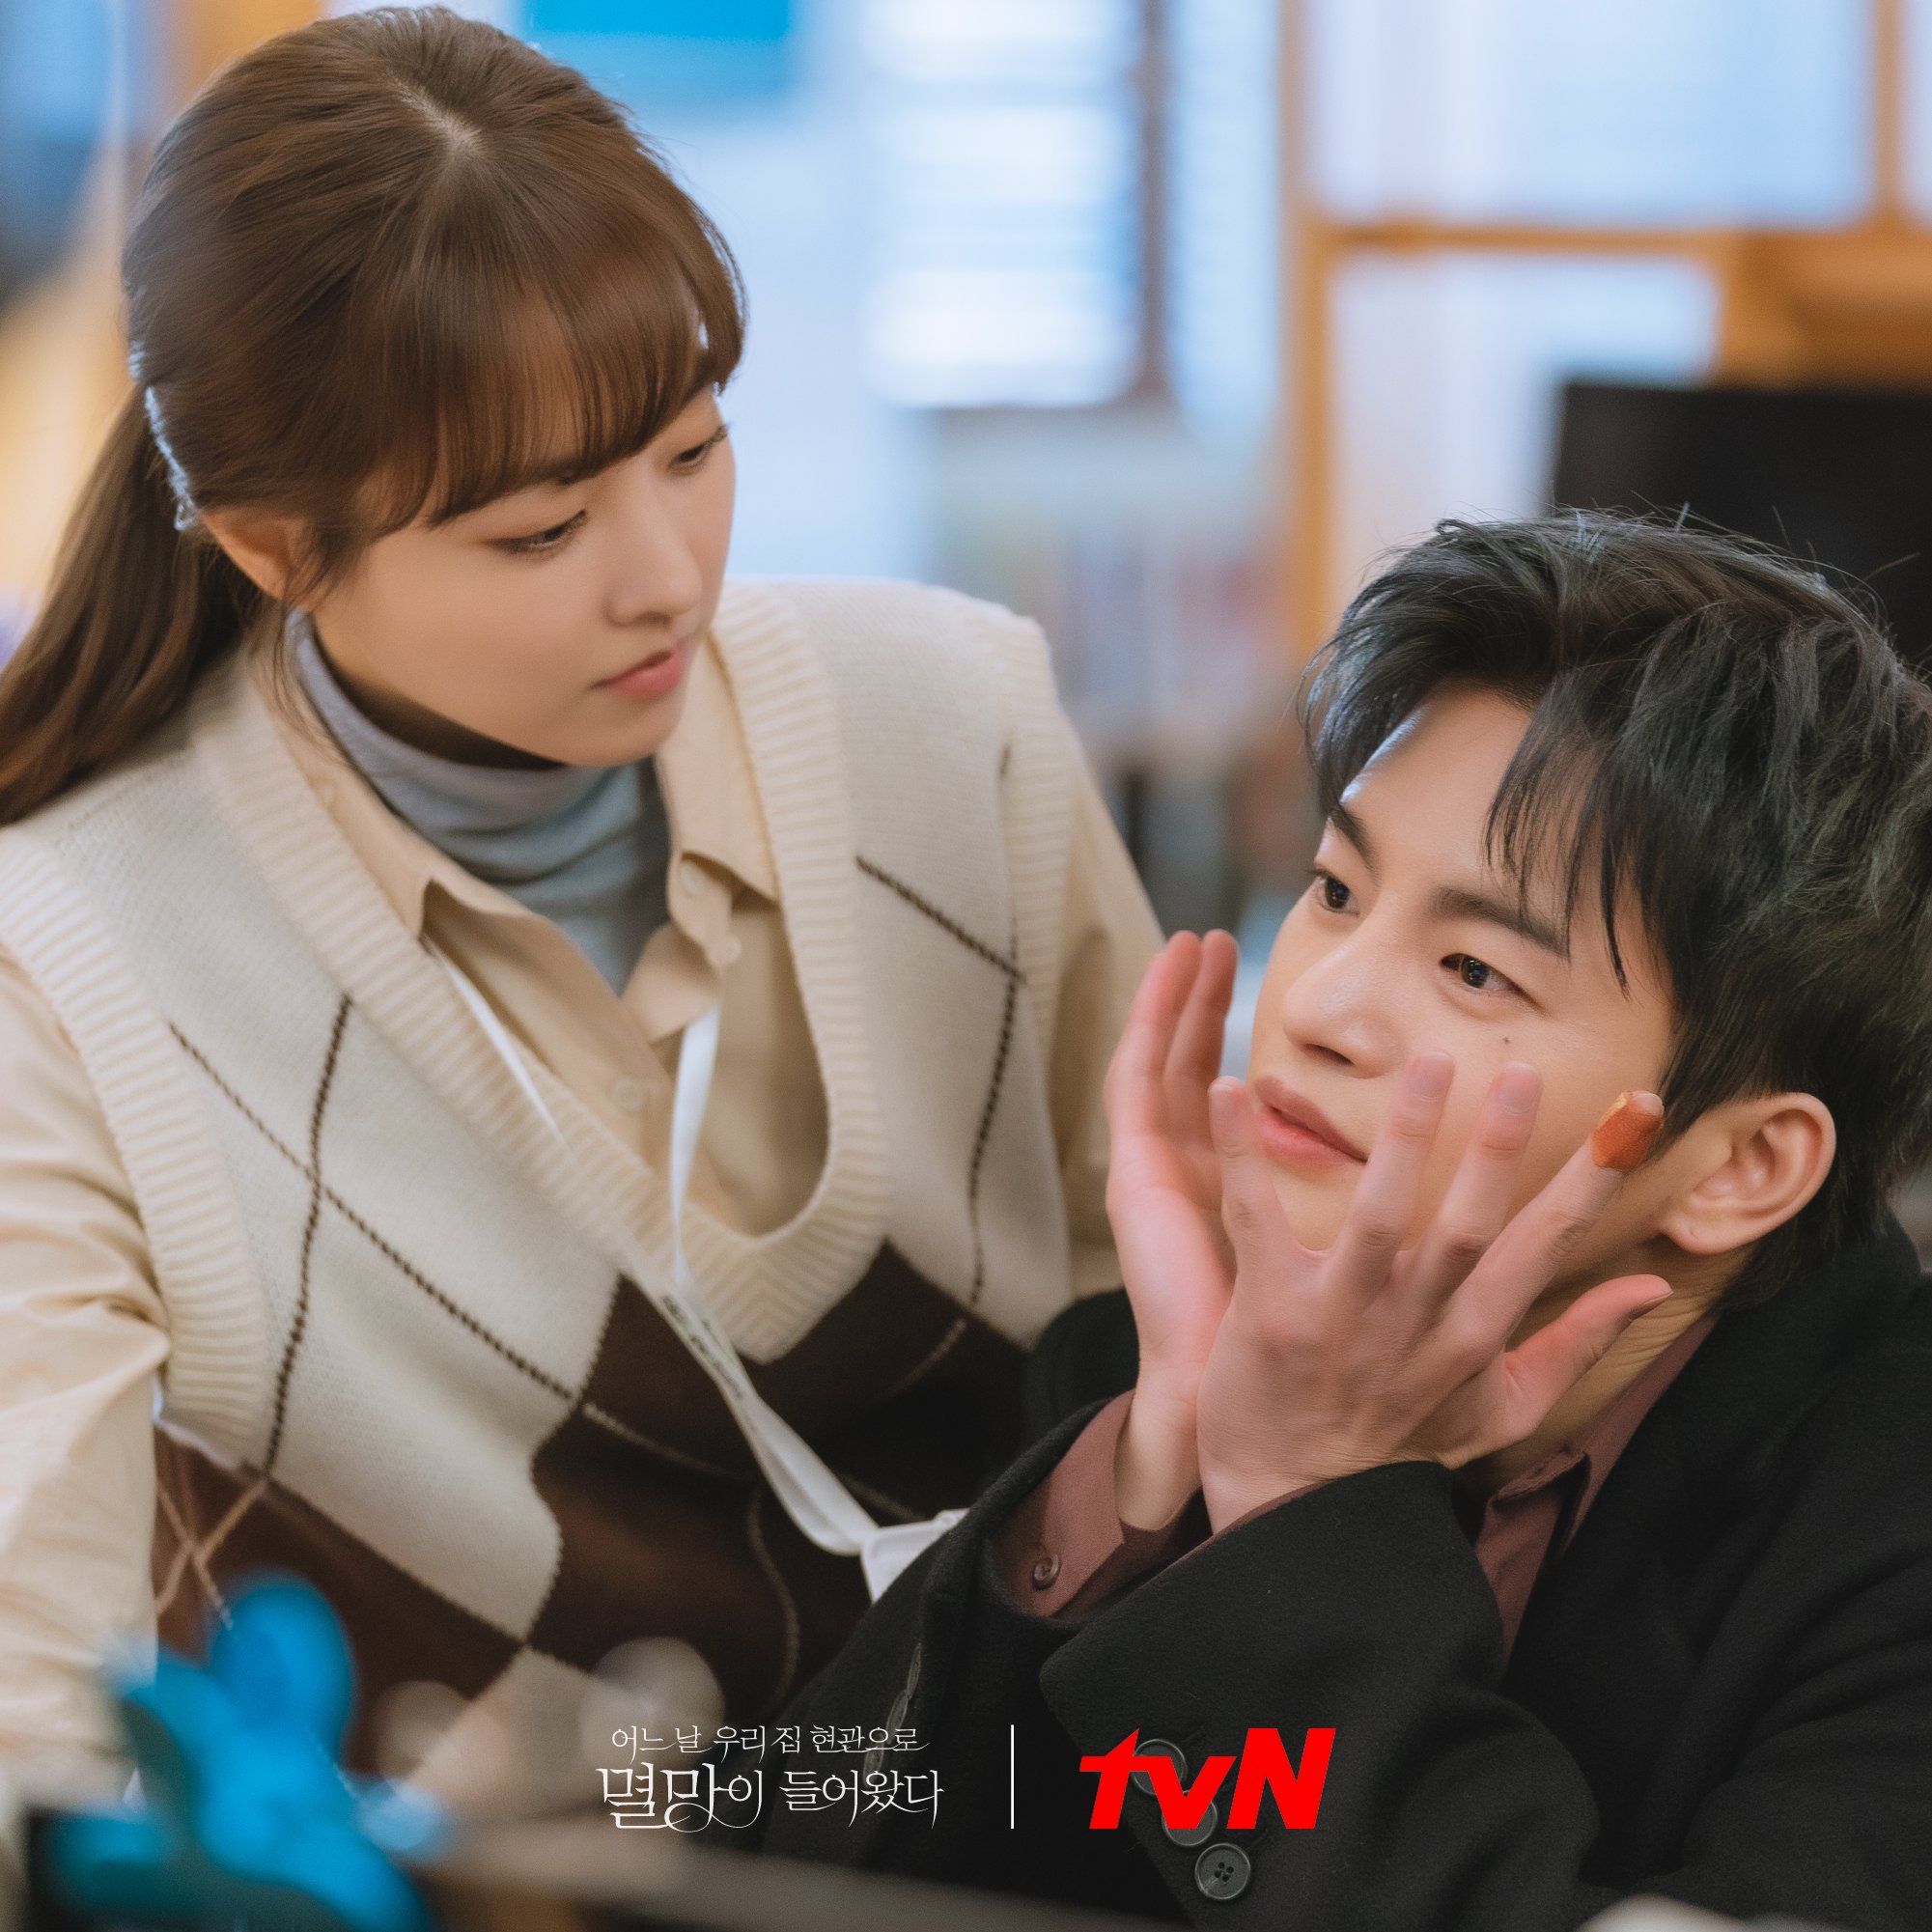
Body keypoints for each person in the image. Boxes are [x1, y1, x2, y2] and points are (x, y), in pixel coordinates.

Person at [0, 9, 1159, 1802]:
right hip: (518, 1881)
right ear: (270, 546)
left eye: (692, 450)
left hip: (1054, 1800)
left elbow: (1192, 1330)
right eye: (542, 531)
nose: (666, 579)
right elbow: (38, 1693)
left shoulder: (956, 724)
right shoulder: (71, 958)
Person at [742, 517, 1932, 1932]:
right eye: (1333, 889)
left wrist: (1298, 1505)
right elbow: (747, 1869)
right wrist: (1170, 1446)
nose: (1316, 1006)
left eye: (1474, 968)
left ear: (1740, 1168)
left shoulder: (1888, 1525)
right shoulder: (1150, 1354)